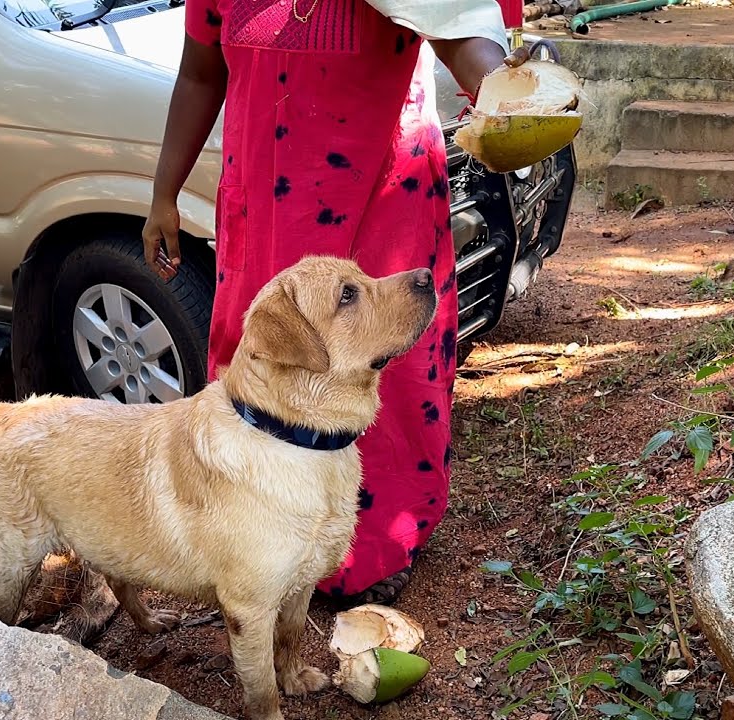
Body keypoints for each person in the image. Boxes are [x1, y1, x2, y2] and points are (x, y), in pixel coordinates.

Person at [143, 0, 527, 605]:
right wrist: (164, 192)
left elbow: (459, 25)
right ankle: (261, 537)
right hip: (267, 211)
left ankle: (369, 549)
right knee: (268, 369)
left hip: (380, 201)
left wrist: (509, 92)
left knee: (388, 378)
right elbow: (200, 72)